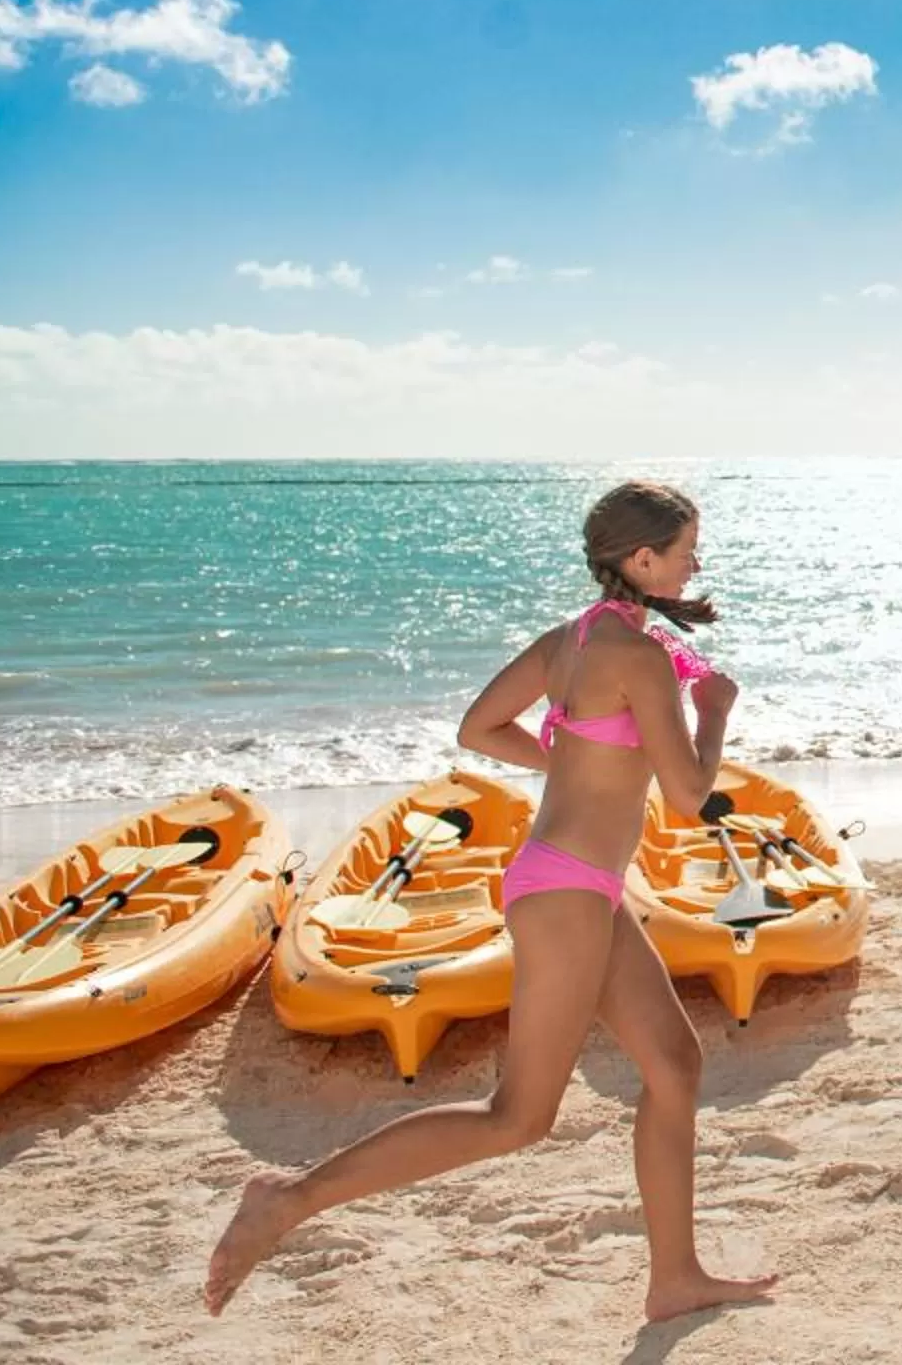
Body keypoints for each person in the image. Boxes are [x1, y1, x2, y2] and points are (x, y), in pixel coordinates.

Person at [206, 482, 778, 1320]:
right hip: (567, 893)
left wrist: (575, 763)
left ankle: (674, 1278)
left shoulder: (569, 641)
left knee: (674, 1065)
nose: (697, 564)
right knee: (517, 1117)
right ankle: (286, 1200)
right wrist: (714, 713)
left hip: (574, 882)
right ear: (642, 558)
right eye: (687, 550)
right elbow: (690, 795)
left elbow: (477, 729)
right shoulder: (640, 656)